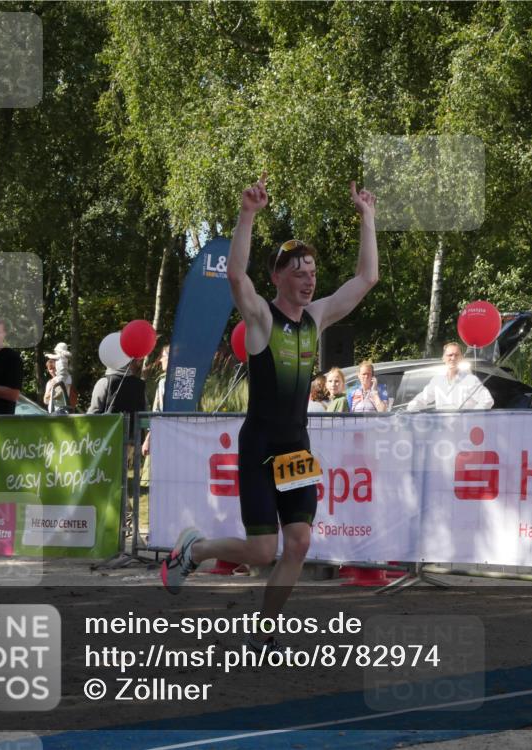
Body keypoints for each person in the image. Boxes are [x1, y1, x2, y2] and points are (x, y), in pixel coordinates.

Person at [162, 172, 378, 652]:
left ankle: (266, 627)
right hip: (260, 443)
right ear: (278, 276)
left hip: (296, 447)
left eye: (312, 273)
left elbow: (366, 279)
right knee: (262, 551)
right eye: (298, 272)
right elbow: (236, 276)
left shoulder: (316, 319)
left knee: (298, 543)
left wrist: (367, 218)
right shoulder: (261, 317)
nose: (309, 280)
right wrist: (247, 214)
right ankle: (194, 549)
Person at [406, 342, 494, 411]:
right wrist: (409, 410)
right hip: (443, 430)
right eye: (450, 355)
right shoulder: (437, 380)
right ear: (443, 358)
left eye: (456, 355)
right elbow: (421, 399)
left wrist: (471, 418)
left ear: (461, 358)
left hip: (464, 431)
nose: (453, 358)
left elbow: (487, 400)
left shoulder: (470, 380)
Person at [88, 359, 148, 435]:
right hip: (134, 441)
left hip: (109, 440)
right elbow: (145, 415)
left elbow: (93, 414)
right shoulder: (140, 385)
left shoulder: (104, 382)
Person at [141, 345, 170, 456]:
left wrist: (148, 440)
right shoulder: (188, 380)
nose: (161, 360)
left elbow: (158, 413)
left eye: (163, 356)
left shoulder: (163, 382)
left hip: (164, 437)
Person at [43, 343, 77, 414]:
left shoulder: (67, 378)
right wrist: (51, 392)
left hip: (63, 412)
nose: (53, 371)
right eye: (50, 369)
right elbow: (45, 400)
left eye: (54, 368)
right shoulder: (50, 382)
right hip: (53, 412)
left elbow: (73, 399)